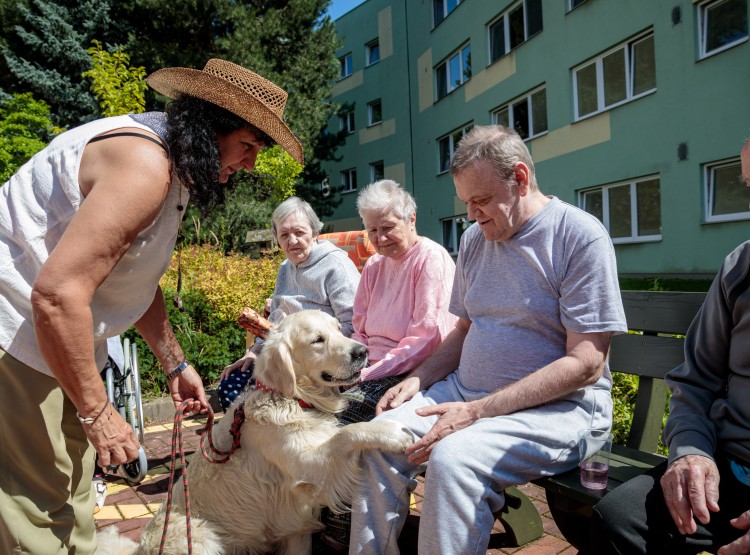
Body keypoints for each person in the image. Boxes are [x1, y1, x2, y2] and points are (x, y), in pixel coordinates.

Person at [0, 58, 303, 554]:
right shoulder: (143, 165)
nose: (250, 162)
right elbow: (56, 295)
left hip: (55, 332)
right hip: (14, 328)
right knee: (34, 508)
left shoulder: (172, 168)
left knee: (71, 489)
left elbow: (133, 279)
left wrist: (175, 361)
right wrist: (99, 414)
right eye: (248, 144)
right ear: (209, 127)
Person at [347, 125, 628, 554]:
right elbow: (463, 329)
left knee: (453, 459)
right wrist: (419, 378)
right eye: (466, 203)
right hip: (465, 395)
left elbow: (587, 362)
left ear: (520, 178)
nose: (472, 214)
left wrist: (478, 411)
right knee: (378, 440)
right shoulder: (475, 239)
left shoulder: (578, 236)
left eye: (480, 200)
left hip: (558, 410)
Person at [589, 141, 750, 555]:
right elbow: (696, 378)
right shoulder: (741, 267)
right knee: (617, 518)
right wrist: (691, 453)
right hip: (728, 469)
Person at [317, 179, 457, 551]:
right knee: (311, 412)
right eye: (372, 230)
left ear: (411, 219)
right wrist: (347, 370)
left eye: (388, 227)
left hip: (414, 372)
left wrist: (364, 374)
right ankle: (322, 514)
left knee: (345, 421)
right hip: (370, 367)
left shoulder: (431, 258)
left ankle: (344, 528)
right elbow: (359, 329)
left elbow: (428, 337)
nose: (379, 238)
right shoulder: (375, 267)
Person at [217, 196, 361, 410]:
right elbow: (275, 325)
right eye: (284, 235)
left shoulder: (335, 266)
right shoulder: (285, 268)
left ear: (314, 232)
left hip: (319, 363)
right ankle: (264, 438)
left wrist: (308, 347)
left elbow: (354, 326)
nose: (292, 241)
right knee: (230, 386)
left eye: (299, 232)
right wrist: (254, 352)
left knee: (258, 400)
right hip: (283, 359)